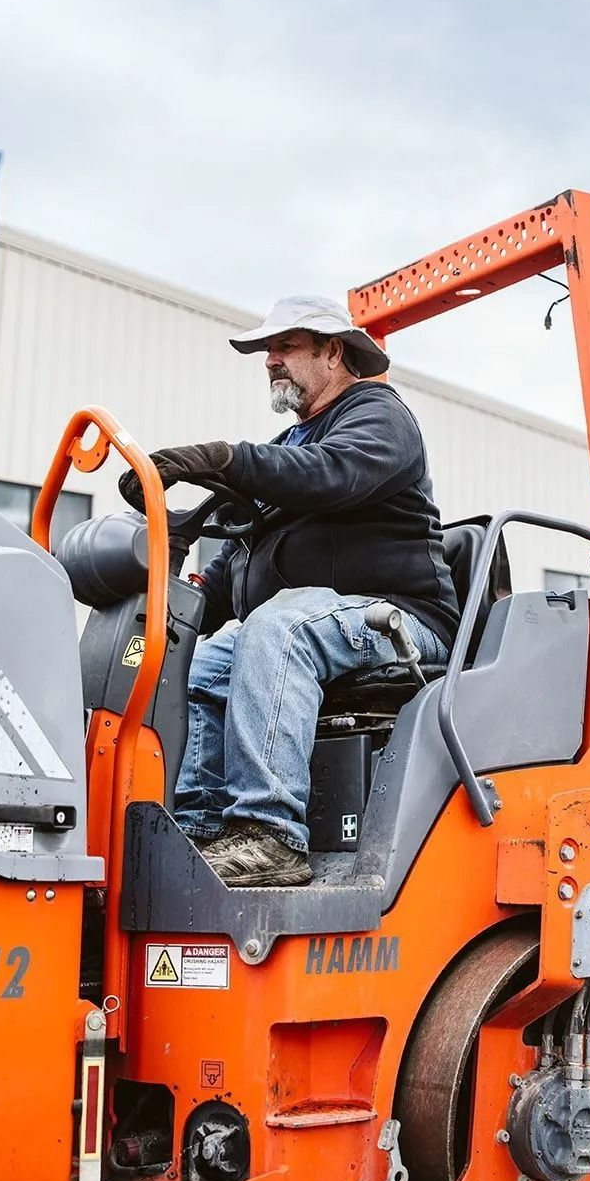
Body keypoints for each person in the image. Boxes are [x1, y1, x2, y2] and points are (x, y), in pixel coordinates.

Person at [118, 295, 459, 888]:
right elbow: (243, 550)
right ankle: (203, 824)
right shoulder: (293, 443)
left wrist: (228, 458)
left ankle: (269, 834)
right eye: (266, 351)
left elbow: (331, 475)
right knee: (198, 664)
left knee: (279, 625)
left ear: (332, 351)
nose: (270, 360)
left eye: (285, 347)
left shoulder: (378, 415)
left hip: (402, 619)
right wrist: (186, 598)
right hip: (325, 622)